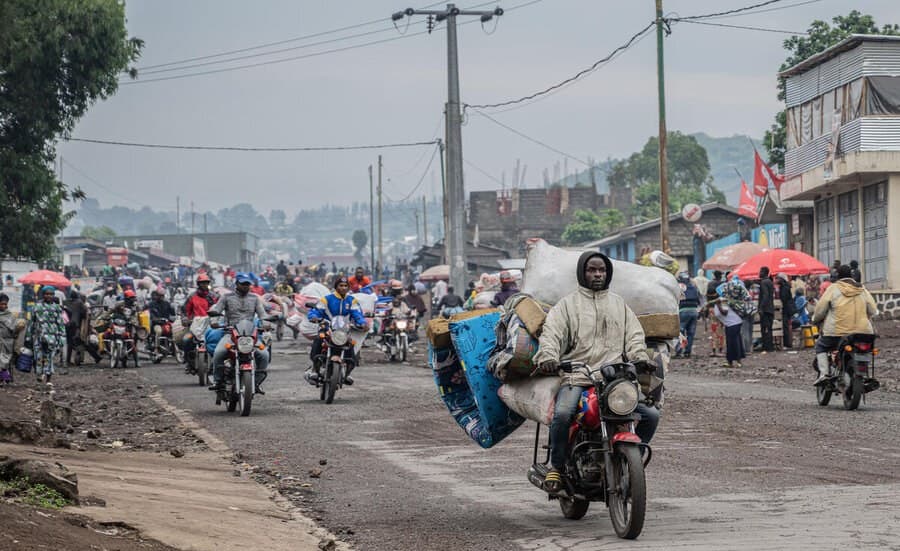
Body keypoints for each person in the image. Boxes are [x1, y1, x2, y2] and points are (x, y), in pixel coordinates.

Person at [532, 252, 657, 493]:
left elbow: (634, 336)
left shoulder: (619, 304)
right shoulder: (567, 305)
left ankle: (631, 463)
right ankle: (557, 467)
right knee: (563, 413)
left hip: (613, 379)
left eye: (602, 270)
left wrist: (640, 358)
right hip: (576, 376)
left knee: (650, 415)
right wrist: (548, 356)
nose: (598, 274)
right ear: (582, 273)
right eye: (592, 270)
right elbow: (551, 334)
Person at [811, 264, 877, 386]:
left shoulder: (833, 288)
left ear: (837, 276)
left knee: (821, 346)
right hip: (863, 333)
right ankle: (865, 374)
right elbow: (873, 311)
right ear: (851, 276)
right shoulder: (862, 289)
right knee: (865, 351)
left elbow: (820, 310)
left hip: (836, 333)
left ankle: (824, 374)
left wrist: (815, 319)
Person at [207, 272, 270, 393]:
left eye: (248, 284)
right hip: (230, 334)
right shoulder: (226, 297)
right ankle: (218, 380)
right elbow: (216, 309)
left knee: (264, 355)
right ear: (236, 284)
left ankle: (256, 382)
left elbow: (262, 314)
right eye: (243, 284)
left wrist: (266, 323)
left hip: (251, 336)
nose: (246, 286)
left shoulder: (255, 298)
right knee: (219, 352)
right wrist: (214, 321)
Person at [305, 277, 368, 386]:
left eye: (345, 286)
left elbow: (357, 314)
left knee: (351, 347)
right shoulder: (326, 299)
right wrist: (314, 317)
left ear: (348, 288)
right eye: (341, 285)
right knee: (319, 340)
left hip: (343, 331)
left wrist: (361, 322)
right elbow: (316, 310)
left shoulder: (351, 300)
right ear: (336, 287)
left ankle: (347, 373)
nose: (343, 288)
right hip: (327, 328)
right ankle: (315, 369)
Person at [26, 286, 67, 385]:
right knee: (38, 357)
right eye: (47, 294)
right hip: (39, 336)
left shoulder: (57, 308)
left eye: (51, 294)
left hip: (53, 337)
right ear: (43, 294)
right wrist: (28, 337)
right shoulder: (36, 307)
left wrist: (62, 337)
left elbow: (60, 324)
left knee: (49, 357)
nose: (49, 296)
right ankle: (39, 374)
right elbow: (31, 323)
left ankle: (48, 379)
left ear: (53, 295)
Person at [63, 290, 100, 365]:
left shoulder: (66, 302)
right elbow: (84, 313)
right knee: (82, 342)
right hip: (77, 325)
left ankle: (68, 360)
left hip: (67, 324)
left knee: (71, 343)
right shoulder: (79, 303)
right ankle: (96, 357)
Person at [713, 295, 745, 368]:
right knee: (731, 343)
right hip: (729, 324)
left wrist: (718, 305)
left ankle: (737, 361)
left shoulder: (722, 301)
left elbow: (725, 312)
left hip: (733, 323)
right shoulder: (715, 303)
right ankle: (731, 361)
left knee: (733, 343)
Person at [675, 272, 700, 358]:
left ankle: (679, 350)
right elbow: (699, 300)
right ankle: (687, 352)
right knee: (691, 333)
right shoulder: (693, 287)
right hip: (694, 311)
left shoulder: (678, 287)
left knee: (680, 332)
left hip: (683, 311)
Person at [0, 293, 24, 384]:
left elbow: (14, 328)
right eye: (2, 304)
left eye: (5, 304)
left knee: (5, 361)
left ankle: (4, 378)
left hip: (8, 341)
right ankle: (2, 379)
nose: (4, 306)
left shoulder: (10, 315)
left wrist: (19, 328)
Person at [705, 270, 724, 356]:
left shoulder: (710, 284)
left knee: (713, 329)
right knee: (720, 329)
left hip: (712, 308)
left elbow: (707, 297)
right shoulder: (723, 284)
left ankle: (713, 350)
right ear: (720, 276)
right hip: (721, 308)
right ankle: (720, 349)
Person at [757, 267, 775, 352]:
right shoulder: (770, 282)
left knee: (764, 329)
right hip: (770, 308)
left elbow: (765, 295)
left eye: (760, 271)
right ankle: (770, 346)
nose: (759, 273)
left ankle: (766, 346)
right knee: (769, 328)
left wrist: (761, 307)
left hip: (765, 309)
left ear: (764, 272)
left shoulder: (763, 282)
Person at [775, 273, 794, 349]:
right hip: (788, 309)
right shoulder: (786, 286)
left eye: (778, 278)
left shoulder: (784, 288)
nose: (776, 280)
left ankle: (787, 343)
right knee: (787, 326)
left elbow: (784, 298)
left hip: (786, 309)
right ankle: (788, 343)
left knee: (785, 326)